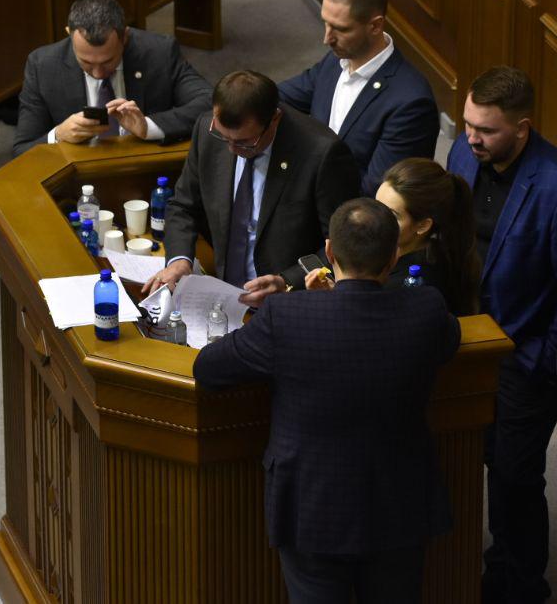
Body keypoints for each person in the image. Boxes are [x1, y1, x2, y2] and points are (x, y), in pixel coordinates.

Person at [194, 198, 461, 604]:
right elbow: (447, 340)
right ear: (394, 255)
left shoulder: (286, 315)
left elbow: (209, 368)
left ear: (330, 252)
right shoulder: (426, 308)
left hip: (313, 508)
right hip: (398, 505)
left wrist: (324, 299)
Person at [446, 66, 557, 604]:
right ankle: (472, 564)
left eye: (486, 130)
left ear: (522, 128)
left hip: (523, 355)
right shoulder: (462, 154)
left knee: (514, 475)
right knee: (464, 452)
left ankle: (522, 586)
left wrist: (541, 362)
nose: (471, 138)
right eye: (468, 124)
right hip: (465, 339)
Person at [146, 70, 359, 309]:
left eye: (245, 142)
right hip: (221, 294)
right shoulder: (207, 129)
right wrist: (179, 260)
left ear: (274, 119)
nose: (231, 149)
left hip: (286, 304)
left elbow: (343, 244)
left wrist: (288, 281)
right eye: (224, 137)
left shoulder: (322, 154)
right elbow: (183, 206)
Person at [278, 0, 439, 194]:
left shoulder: (411, 103)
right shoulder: (335, 62)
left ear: (375, 26)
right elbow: (275, 96)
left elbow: (378, 194)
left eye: (341, 29)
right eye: (326, 23)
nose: (327, 39)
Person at [13, 0, 213, 157]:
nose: (98, 73)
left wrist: (148, 126)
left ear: (125, 37)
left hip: (145, 167)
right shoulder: (43, 66)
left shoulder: (159, 52)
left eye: (108, 61)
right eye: (86, 63)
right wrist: (59, 135)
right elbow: (22, 150)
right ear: (69, 34)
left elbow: (209, 102)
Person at [306, 157, 480, 316]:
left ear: (423, 225)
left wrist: (336, 299)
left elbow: (368, 324)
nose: (375, 219)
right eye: (376, 205)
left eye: (392, 215)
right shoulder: (426, 250)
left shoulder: (413, 284)